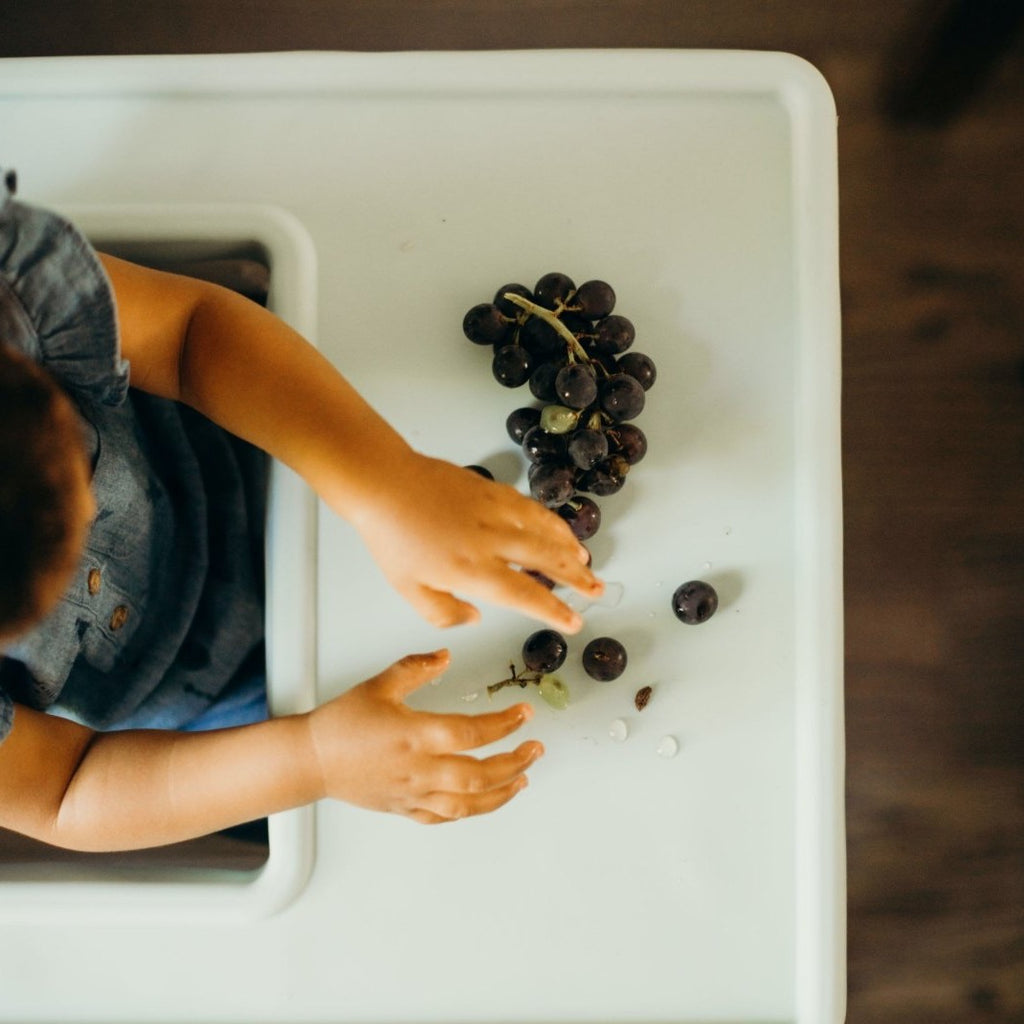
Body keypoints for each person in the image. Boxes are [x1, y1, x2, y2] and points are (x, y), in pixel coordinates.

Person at [0, 169, 603, 850]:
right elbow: (65, 789)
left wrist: (387, 482)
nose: (90, 513)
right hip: (208, 698)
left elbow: (189, 331)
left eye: (74, 463)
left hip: (248, 438)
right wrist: (314, 758)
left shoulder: (7, 287)